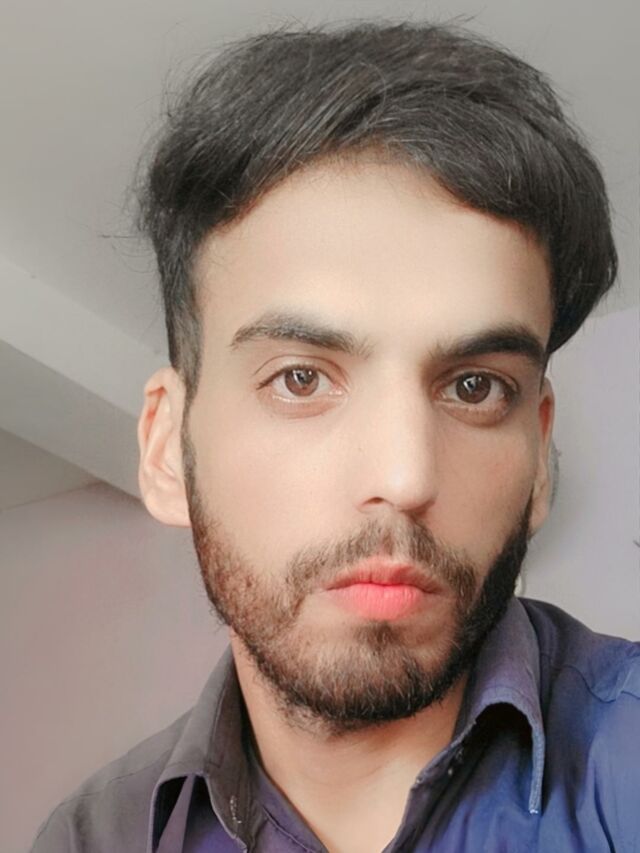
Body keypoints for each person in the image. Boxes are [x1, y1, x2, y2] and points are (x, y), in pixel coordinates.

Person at [32, 19, 639, 853]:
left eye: (475, 387)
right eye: (301, 379)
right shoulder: (94, 837)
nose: (405, 474)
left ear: (538, 461)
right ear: (167, 449)